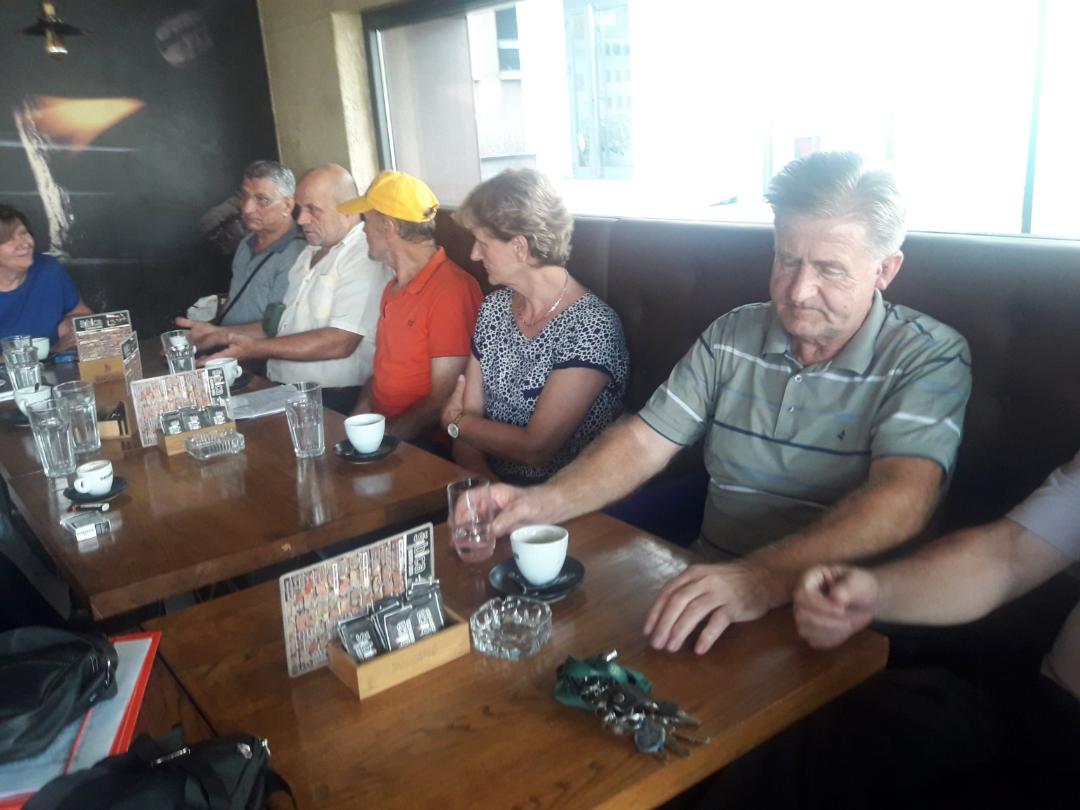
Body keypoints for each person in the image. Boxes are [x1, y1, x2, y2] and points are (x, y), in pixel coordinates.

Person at [487, 152, 972, 654]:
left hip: (834, 621)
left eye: (830, 270)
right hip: (710, 588)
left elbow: (904, 498)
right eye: (787, 260)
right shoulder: (733, 333)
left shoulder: (928, 355)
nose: (799, 290)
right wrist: (543, 502)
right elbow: (644, 441)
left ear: (885, 269)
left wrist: (761, 579)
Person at [439, 168, 629, 484]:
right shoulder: (494, 308)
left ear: (520, 248)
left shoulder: (592, 327)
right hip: (489, 484)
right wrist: (490, 490)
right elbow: (466, 435)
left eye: (483, 243)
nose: (473, 254)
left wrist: (456, 422)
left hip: (562, 497)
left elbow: (536, 449)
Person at [178, 164, 391, 413]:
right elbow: (279, 325)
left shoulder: (363, 253)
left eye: (313, 209)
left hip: (333, 398)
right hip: (282, 389)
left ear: (348, 209)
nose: (301, 219)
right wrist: (219, 334)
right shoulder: (309, 251)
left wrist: (253, 349)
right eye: (301, 209)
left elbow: (341, 341)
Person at [341, 171, 482, 443]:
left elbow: (442, 398)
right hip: (382, 433)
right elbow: (381, 375)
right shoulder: (393, 287)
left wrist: (385, 441)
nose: (363, 230)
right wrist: (356, 422)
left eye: (365, 220)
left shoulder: (450, 291)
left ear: (388, 227)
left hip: (423, 447)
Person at [216, 160, 306, 326]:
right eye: (245, 196)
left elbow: (278, 327)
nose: (247, 208)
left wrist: (218, 335)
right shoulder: (246, 242)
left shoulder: (298, 255)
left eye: (262, 200)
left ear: (287, 205)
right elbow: (235, 298)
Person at [0, 204, 91, 352]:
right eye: (8, 239)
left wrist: (71, 333)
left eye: (23, 233)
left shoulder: (48, 270)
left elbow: (81, 314)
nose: (24, 244)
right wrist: (49, 351)